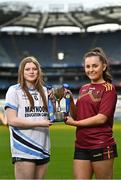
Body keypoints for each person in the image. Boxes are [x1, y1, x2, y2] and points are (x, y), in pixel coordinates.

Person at [64, 47, 118, 179]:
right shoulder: (84, 88)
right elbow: (77, 115)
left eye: (95, 66)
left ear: (103, 66)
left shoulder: (109, 89)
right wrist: (70, 100)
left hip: (101, 144)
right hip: (81, 144)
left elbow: (101, 118)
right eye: (87, 66)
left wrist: (75, 123)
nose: (91, 69)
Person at [4, 56, 52, 179]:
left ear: (38, 71)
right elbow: (11, 120)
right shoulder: (14, 91)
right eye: (27, 69)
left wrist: (63, 98)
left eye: (34, 69)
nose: (31, 71)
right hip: (24, 148)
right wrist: (40, 123)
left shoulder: (46, 91)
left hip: (43, 148)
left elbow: (53, 115)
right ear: (22, 72)